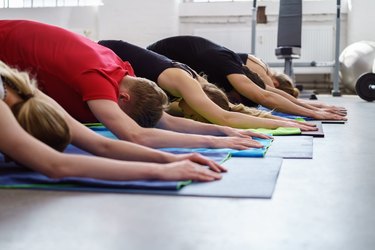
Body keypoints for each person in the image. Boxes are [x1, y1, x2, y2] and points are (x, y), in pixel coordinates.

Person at [0, 20, 265, 150]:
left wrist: (222, 131)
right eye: (118, 112)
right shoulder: (99, 79)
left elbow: (166, 122)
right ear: (123, 99)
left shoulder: (122, 69)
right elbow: (134, 135)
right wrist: (212, 143)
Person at [0, 60, 224, 181]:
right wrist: (160, 171)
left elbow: (101, 144)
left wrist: (170, 159)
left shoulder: (30, 93)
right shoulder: (20, 90)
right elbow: (56, 165)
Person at [98, 39, 317, 131]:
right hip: (108, 51)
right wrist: (290, 123)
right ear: (199, 102)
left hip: (127, 62)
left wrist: (277, 118)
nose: (189, 116)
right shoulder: (186, 85)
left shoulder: (198, 88)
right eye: (195, 115)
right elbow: (225, 117)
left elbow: (231, 110)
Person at [147, 35, 347, 120]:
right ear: (237, 87)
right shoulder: (227, 65)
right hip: (149, 64)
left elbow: (267, 91)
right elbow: (264, 97)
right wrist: (314, 114)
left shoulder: (234, 72)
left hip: (170, 63)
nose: (233, 101)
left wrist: (312, 106)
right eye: (236, 98)